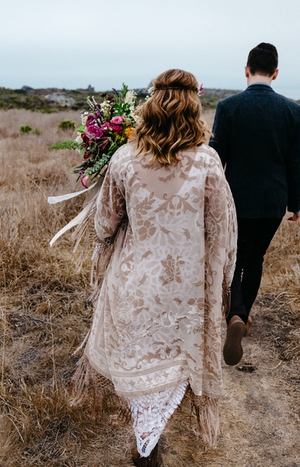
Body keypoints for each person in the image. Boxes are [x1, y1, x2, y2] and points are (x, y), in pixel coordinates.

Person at [71, 69, 237, 467]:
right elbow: (223, 232)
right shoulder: (208, 163)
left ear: (149, 106)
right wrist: (221, 284)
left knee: (139, 361)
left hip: (134, 284)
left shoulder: (123, 159)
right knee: (175, 366)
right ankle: (151, 435)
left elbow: (104, 225)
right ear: (193, 109)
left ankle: (146, 439)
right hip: (185, 291)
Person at [210, 42, 300, 366]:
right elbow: (296, 161)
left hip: (234, 198)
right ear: (275, 73)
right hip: (273, 201)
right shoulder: (293, 111)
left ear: (246, 70)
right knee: (256, 258)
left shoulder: (228, 106)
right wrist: (296, 203)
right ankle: (243, 314)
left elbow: (215, 156)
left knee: (232, 259)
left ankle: (235, 315)